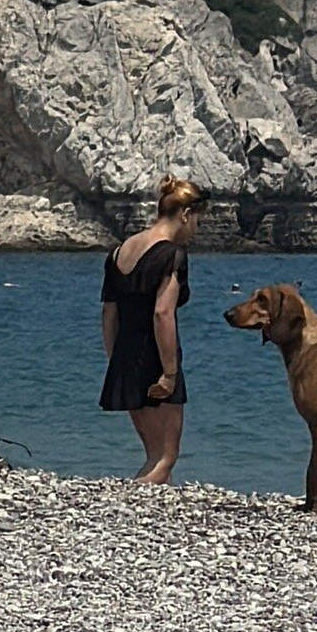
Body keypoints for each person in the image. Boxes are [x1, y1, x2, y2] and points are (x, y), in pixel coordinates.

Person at [99, 174, 210, 484]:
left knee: (153, 454)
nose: (195, 231)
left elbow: (109, 313)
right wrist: (170, 373)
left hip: (125, 356)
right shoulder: (171, 255)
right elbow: (163, 313)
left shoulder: (119, 252)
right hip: (157, 358)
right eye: (198, 222)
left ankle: (151, 513)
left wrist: (115, 360)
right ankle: (128, 500)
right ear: (185, 215)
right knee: (167, 457)